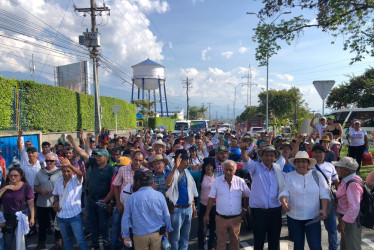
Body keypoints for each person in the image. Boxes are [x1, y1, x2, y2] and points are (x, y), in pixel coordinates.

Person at [279, 151, 330, 250]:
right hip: (294, 217)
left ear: (308, 163)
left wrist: (323, 210)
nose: (301, 164)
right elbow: (284, 192)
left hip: (313, 218)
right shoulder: (289, 176)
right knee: (298, 245)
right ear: (295, 163)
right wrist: (284, 202)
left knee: (315, 246)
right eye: (298, 161)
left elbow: (324, 194)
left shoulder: (317, 175)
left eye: (303, 161)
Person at [241, 144, 284, 250]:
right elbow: (246, 161)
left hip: (275, 210)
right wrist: (243, 150)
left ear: (274, 157)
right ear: (262, 156)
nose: (269, 158)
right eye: (266, 155)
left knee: (274, 241)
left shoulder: (278, 169)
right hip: (259, 212)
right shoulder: (256, 167)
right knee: (259, 241)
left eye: (271, 155)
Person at [203, 160, 250, 250]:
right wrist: (206, 214)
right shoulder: (217, 182)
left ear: (235, 171)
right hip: (221, 219)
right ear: (223, 170)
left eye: (231, 170)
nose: (228, 172)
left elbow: (248, 195)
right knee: (221, 244)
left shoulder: (240, 181)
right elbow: (211, 198)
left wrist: (244, 209)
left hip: (236, 219)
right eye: (226, 169)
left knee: (235, 243)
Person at [122, 170, 173, 250]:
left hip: (140, 235)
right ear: (152, 181)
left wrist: (126, 235)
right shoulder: (160, 196)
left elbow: (126, 218)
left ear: (138, 182)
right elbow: (166, 215)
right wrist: (168, 229)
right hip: (156, 234)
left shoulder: (132, 198)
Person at [53, 157, 89, 250]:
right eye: (64, 171)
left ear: (72, 171)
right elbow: (56, 194)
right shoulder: (59, 181)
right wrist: (55, 202)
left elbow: (80, 173)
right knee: (66, 239)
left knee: (80, 239)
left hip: (74, 216)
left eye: (68, 171)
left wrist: (69, 165)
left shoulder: (76, 181)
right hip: (61, 216)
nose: (66, 173)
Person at [165, 150, 198, 250]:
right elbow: (167, 183)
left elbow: (191, 191)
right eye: (184, 160)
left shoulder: (188, 172)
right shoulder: (171, 172)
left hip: (188, 208)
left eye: (188, 160)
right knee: (175, 238)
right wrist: (175, 167)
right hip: (176, 209)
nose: (187, 162)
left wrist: (193, 207)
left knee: (185, 236)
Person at [311, 144, 339, 250]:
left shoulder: (330, 166)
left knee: (332, 228)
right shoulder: (308, 165)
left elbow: (336, 181)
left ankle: (333, 248)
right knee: (314, 229)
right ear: (312, 153)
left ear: (324, 154)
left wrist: (340, 196)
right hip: (312, 200)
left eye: (320, 152)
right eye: (316, 152)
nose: (318, 154)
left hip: (328, 200)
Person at [0, 167, 35, 250]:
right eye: (11, 175)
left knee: (23, 239)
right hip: (8, 215)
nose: (13, 177)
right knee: (8, 239)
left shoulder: (26, 186)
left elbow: (31, 203)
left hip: (22, 214)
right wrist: (5, 188)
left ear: (20, 176)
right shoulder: (5, 186)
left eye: (16, 175)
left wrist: (32, 218)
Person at [333, 157, 364, 250]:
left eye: (338, 167)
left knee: (352, 246)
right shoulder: (347, 180)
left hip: (350, 220)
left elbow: (354, 207)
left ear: (346, 171)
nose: (337, 169)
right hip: (347, 218)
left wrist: (344, 221)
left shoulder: (352, 184)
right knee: (346, 245)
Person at [34, 153, 62, 249]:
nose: (49, 163)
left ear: (55, 162)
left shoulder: (60, 172)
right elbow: (35, 187)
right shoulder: (40, 172)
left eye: (51, 161)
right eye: (47, 161)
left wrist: (54, 191)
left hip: (55, 202)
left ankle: (58, 240)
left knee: (57, 223)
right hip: (42, 202)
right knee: (42, 224)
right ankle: (42, 241)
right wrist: (41, 191)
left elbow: (63, 186)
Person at [197, 158, 217, 250]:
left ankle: (211, 247)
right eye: (207, 165)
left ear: (213, 167)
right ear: (204, 167)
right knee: (202, 229)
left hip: (214, 206)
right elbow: (189, 172)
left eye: (210, 166)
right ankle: (201, 247)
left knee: (213, 228)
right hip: (202, 205)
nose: (209, 167)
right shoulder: (200, 175)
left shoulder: (218, 176)